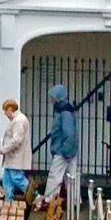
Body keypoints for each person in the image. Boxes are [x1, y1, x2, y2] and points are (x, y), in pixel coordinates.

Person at [43, 82, 81, 210]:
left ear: (57, 97)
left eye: (52, 98)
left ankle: (49, 200)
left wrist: (66, 151)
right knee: (72, 176)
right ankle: (75, 201)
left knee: (55, 175)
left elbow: (68, 132)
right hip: (69, 149)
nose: (51, 100)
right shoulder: (67, 110)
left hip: (62, 150)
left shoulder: (63, 111)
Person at [0, 97, 32, 201]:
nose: (5, 114)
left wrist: (4, 149)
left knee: (17, 178)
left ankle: (35, 196)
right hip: (12, 158)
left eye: (5, 110)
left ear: (10, 109)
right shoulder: (17, 120)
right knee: (7, 182)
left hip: (16, 157)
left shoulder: (18, 121)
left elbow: (16, 140)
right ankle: (8, 201)